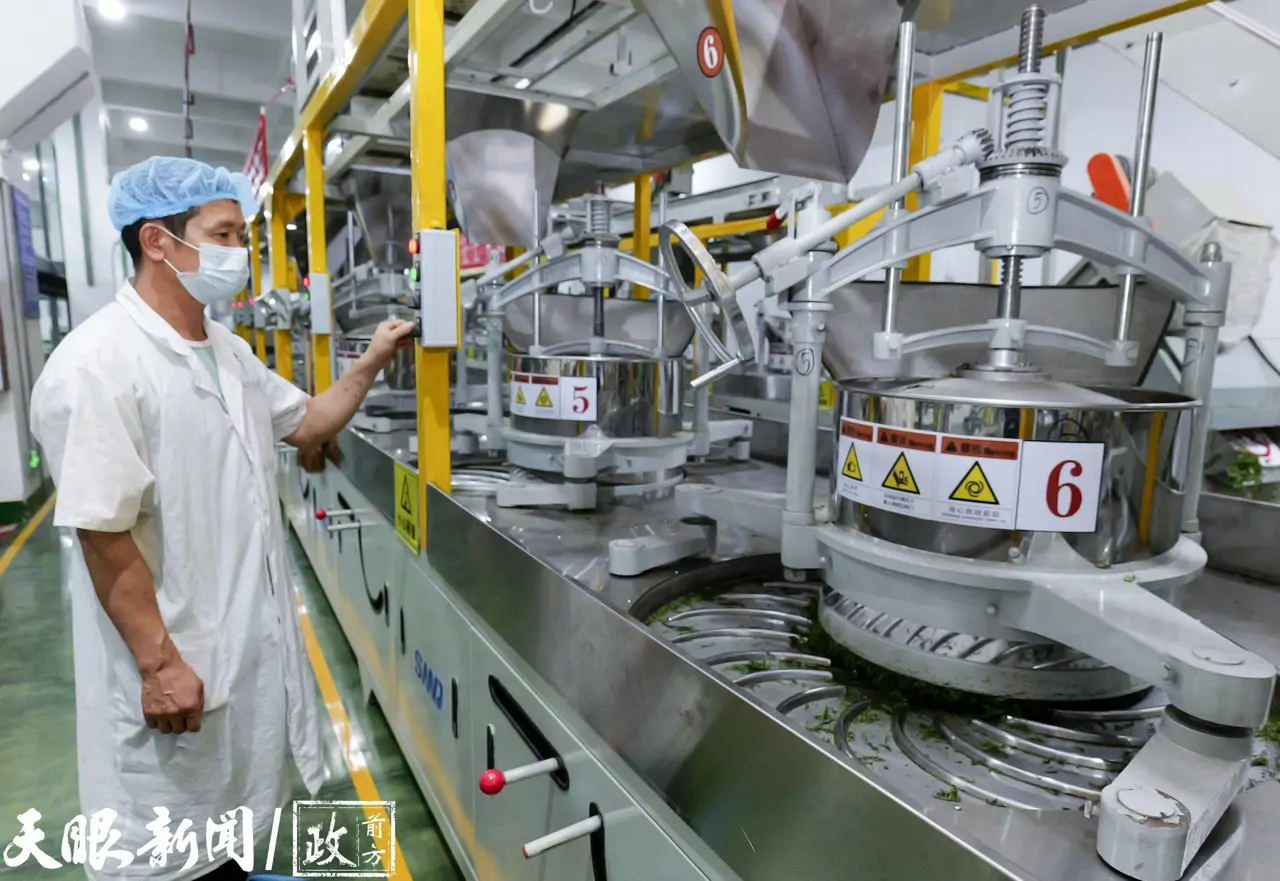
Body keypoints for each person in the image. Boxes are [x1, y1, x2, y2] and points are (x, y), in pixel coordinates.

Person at [29, 157, 416, 881]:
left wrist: (372, 358)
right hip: (177, 661)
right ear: (157, 241)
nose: (240, 252)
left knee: (232, 836)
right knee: (169, 854)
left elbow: (308, 422)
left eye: (242, 236)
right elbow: (102, 531)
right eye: (225, 234)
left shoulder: (226, 352)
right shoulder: (96, 365)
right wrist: (159, 664)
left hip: (239, 652)